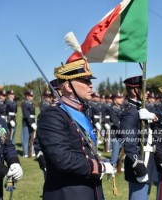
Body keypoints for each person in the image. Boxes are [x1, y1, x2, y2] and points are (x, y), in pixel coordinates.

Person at [36, 58, 114, 200]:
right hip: (69, 192)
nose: (91, 86)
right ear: (68, 86)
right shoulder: (52, 115)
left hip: (91, 189)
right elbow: (62, 158)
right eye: (85, 81)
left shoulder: (82, 112)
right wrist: (98, 167)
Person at [120, 75, 159, 200]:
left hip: (148, 159)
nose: (148, 93)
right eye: (145, 89)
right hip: (139, 162)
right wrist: (139, 166)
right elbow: (129, 143)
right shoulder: (130, 112)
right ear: (134, 90)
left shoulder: (141, 109)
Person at [21, 90, 36, 157]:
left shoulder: (31, 103)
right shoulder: (24, 103)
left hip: (32, 121)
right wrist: (31, 123)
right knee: (26, 138)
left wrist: (34, 122)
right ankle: (25, 153)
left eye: (32, 96)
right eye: (30, 96)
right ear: (27, 96)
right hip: (27, 122)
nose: (32, 97)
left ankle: (31, 151)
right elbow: (26, 114)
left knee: (32, 138)